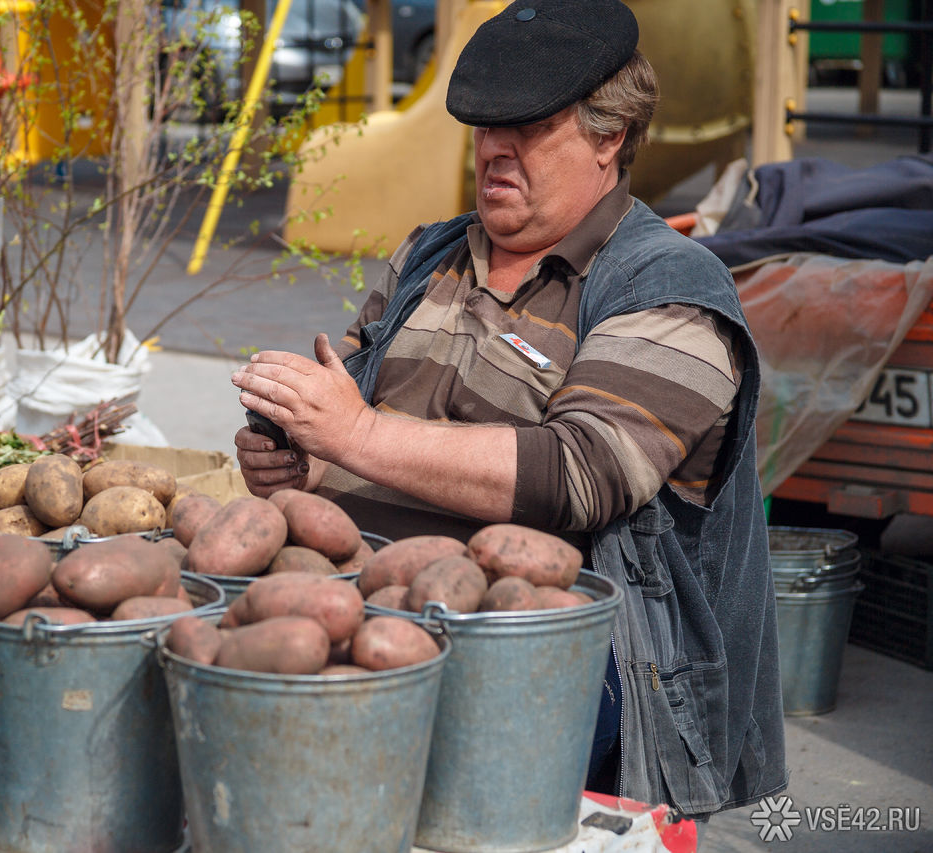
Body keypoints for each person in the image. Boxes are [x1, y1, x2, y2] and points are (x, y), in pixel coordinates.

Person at [231, 0, 787, 824]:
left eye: (527, 127)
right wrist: (303, 453)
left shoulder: (670, 288)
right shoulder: (427, 257)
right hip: (359, 606)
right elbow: (351, 407)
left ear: (610, 135)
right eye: (485, 128)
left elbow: (583, 471)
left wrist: (358, 433)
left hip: (566, 666)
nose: (495, 150)